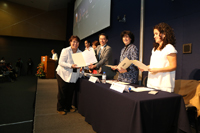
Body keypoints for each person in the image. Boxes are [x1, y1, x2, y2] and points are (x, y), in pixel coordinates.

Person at [140, 22, 177, 93]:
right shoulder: (154, 49)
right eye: (154, 34)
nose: (154, 36)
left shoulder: (169, 48)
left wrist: (157, 70)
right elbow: (155, 65)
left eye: (156, 33)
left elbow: (173, 66)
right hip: (152, 83)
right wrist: (145, 67)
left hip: (163, 86)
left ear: (164, 34)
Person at [56, 35, 82, 115]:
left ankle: (68, 107)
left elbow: (81, 64)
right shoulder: (65, 50)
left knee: (70, 92)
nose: (75, 43)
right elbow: (60, 62)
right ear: (70, 42)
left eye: (77, 42)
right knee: (62, 92)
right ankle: (60, 108)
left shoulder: (80, 52)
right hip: (63, 74)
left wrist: (85, 66)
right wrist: (71, 65)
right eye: (73, 41)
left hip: (73, 75)